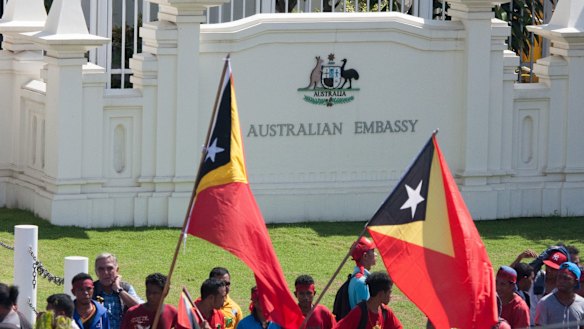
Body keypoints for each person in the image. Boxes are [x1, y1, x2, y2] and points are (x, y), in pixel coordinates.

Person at [335, 272, 402, 329]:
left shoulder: (385, 312)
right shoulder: (358, 312)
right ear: (381, 294)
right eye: (389, 292)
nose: (391, 296)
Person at [93, 253, 143, 329]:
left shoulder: (125, 288)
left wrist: (119, 290)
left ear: (117, 270)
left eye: (110, 268)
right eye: (101, 269)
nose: (105, 273)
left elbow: (140, 310)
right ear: (96, 272)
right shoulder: (91, 289)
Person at [535, 262, 584, 327]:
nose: (561, 281)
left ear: (575, 282)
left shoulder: (582, 304)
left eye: (566, 278)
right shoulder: (544, 303)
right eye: (559, 277)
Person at [348, 237, 377, 309]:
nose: (376, 254)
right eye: (373, 251)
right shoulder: (362, 282)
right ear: (365, 256)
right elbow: (365, 312)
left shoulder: (358, 278)